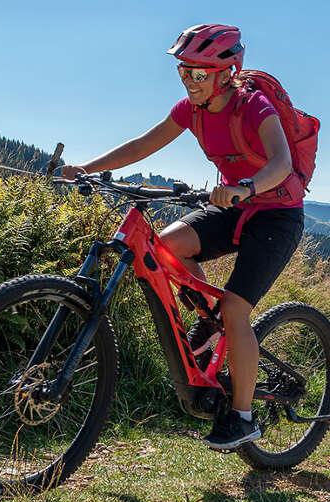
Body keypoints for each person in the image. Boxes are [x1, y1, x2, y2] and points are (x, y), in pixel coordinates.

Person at [59, 24, 305, 450]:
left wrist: (246, 187)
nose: (189, 82)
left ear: (226, 73)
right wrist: (87, 168)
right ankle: (208, 320)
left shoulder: (254, 107)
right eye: (183, 73)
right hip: (233, 206)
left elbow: (282, 163)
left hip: (275, 214)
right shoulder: (189, 111)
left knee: (236, 308)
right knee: (165, 245)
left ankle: (243, 417)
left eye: (198, 74)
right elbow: (140, 146)